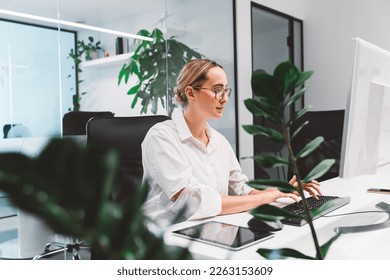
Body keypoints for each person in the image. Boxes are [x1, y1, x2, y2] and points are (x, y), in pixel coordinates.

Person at [141, 58, 321, 227]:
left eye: (226, 90)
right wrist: (267, 197)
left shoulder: (219, 141)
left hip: (208, 229)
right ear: (190, 93)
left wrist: (283, 190)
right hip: (163, 237)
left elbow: (242, 190)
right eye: (217, 90)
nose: (225, 98)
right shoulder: (161, 137)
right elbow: (192, 203)